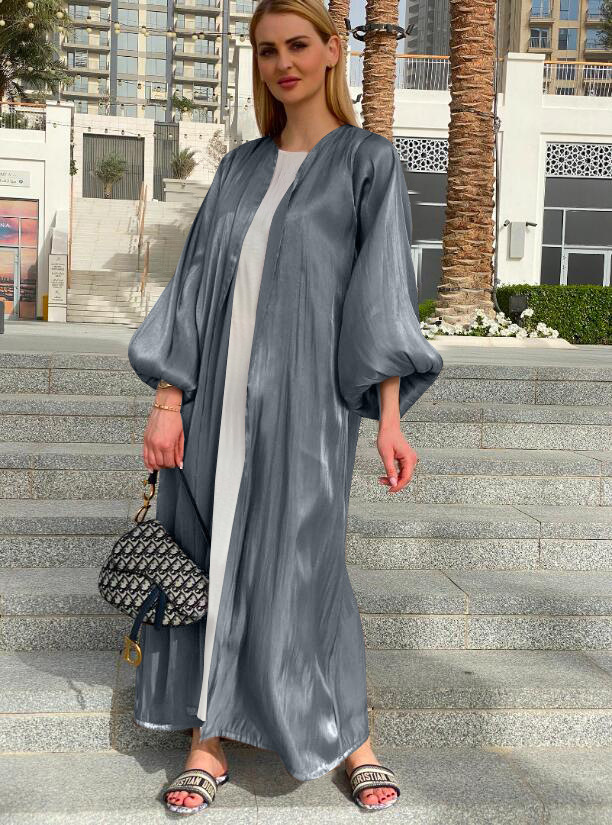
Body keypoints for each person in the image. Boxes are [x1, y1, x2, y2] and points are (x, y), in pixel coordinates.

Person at [127, 0, 443, 814]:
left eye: (298, 45)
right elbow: (194, 286)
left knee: (307, 567)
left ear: (334, 50)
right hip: (212, 406)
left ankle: (351, 735)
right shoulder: (239, 167)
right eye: (267, 50)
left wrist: (391, 420)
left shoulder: (368, 162)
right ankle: (206, 741)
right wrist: (168, 397)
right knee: (206, 556)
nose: (283, 64)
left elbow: (380, 298)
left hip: (307, 409)